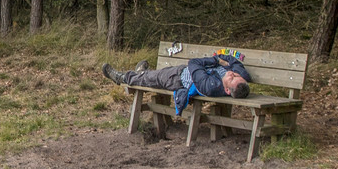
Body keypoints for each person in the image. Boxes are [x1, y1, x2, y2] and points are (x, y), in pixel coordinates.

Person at [102, 53, 251, 115]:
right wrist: (222, 59)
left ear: (226, 90)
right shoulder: (241, 78)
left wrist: (215, 61)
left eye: (232, 78)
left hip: (177, 79)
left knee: (154, 78)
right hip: (181, 71)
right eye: (235, 75)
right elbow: (234, 61)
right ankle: (141, 73)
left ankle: (122, 77)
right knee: (150, 77)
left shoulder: (210, 86)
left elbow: (194, 63)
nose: (232, 73)